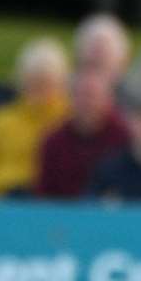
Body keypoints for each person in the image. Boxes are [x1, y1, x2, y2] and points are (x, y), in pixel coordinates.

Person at [0, 38, 69, 198]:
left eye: (45, 83)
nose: (38, 90)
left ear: (59, 84)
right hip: (0, 206)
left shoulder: (68, 120)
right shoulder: (0, 120)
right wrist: (8, 186)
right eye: (33, 82)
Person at [35, 65, 129, 200]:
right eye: (80, 95)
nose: (87, 103)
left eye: (92, 96)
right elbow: (43, 197)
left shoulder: (125, 138)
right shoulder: (53, 142)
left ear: (108, 98)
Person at [73, 13, 131, 85]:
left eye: (102, 70)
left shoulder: (133, 93)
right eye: (89, 68)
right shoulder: (65, 90)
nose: (93, 82)